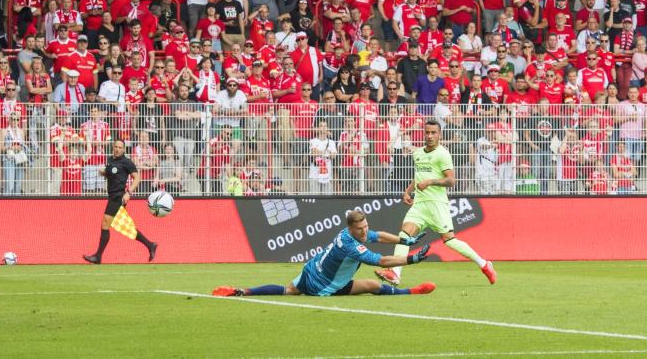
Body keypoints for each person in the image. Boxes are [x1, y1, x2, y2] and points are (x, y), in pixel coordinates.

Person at [375, 120, 497, 286]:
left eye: (434, 133)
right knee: (404, 235)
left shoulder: (443, 154)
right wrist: (407, 191)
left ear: (440, 135)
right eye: (427, 132)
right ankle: (395, 273)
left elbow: (451, 180)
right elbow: (419, 175)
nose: (430, 136)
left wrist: (430, 182)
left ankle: (484, 264)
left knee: (450, 240)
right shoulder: (418, 153)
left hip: (437, 204)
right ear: (423, 134)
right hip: (419, 204)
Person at [213, 210, 434, 297]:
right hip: (325, 284)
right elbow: (382, 260)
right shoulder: (351, 245)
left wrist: (405, 240)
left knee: (288, 290)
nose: (365, 231)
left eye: (366, 226)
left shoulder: (353, 233)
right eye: (361, 229)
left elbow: (381, 235)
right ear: (350, 229)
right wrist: (411, 258)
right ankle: (412, 292)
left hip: (311, 269)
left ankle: (241, 291)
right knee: (374, 285)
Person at [83, 139, 158, 264]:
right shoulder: (110, 160)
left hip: (119, 197)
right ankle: (150, 245)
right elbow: (113, 175)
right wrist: (104, 173)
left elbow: (137, 177)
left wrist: (129, 193)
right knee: (125, 227)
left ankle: (98, 256)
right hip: (112, 196)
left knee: (105, 224)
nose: (117, 149)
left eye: (120, 147)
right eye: (116, 147)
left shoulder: (127, 162)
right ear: (113, 147)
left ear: (124, 149)